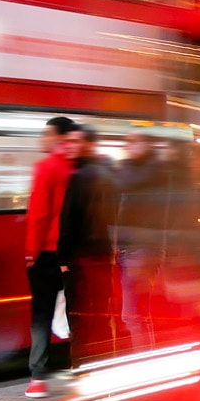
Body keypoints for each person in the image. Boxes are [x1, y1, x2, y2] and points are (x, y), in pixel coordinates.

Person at [57, 126, 122, 363]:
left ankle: (82, 371)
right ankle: (104, 368)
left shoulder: (78, 177)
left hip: (80, 260)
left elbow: (68, 222)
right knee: (102, 317)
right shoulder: (109, 175)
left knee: (80, 320)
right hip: (103, 258)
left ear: (88, 145)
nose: (70, 145)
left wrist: (63, 260)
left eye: (75, 141)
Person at [24, 116, 77, 399]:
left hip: (46, 250)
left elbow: (40, 213)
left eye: (47, 135)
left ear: (60, 137)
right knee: (75, 310)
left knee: (41, 314)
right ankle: (76, 366)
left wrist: (30, 253)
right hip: (72, 251)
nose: (42, 140)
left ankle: (39, 377)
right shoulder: (78, 168)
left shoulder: (46, 167)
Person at [115, 132, 167, 345]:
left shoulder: (150, 171)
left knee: (133, 315)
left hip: (140, 249)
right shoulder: (149, 170)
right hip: (136, 248)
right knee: (139, 314)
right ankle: (147, 358)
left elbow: (126, 183)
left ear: (147, 144)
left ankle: (144, 361)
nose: (128, 146)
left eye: (133, 142)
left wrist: (126, 162)